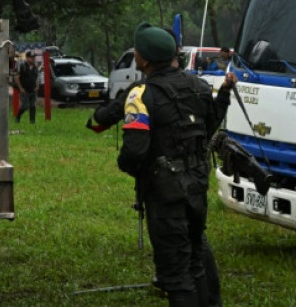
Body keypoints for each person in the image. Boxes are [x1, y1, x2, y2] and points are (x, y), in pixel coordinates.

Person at [93, 22, 234, 306]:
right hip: (197, 186)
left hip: (165, 193)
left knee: (176, 277)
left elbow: (134, 152)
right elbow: (208, 129)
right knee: (195, 261)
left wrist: (132, 168)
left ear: (143, 59)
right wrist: (225, 96)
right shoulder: (198, 86)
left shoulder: (141, 94)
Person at [14, 51, 38, 126]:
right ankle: (18, 116)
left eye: (34, 57)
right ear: (27, 58)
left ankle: (32, 121)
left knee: (33, 106)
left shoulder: (35, 67)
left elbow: (36, 77)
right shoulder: (22, 66)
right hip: (24, 89)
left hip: (32, 89)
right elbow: (16, 77)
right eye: (31, 57)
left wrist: (37, 86)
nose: (33, 59)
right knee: (25, 106)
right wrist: (21, 88)